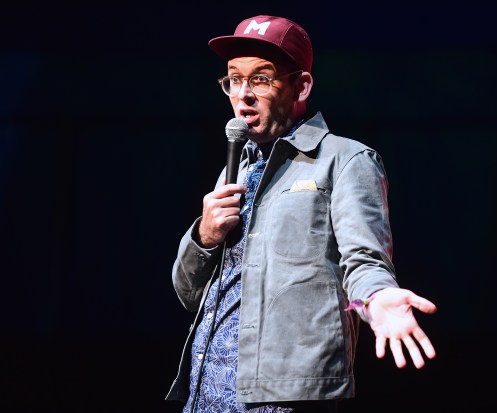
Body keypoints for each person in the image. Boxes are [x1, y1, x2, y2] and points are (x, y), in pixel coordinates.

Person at [166, 15, 438, 413]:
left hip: (285, 396)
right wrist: (203, 237)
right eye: (233, 79)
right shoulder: (234, 168)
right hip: (207, 390)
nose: (243, 95)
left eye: (260, 79)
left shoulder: (345, 161)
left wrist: (377, 296)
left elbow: (363, 259)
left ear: (301, 85)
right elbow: (188, 295)